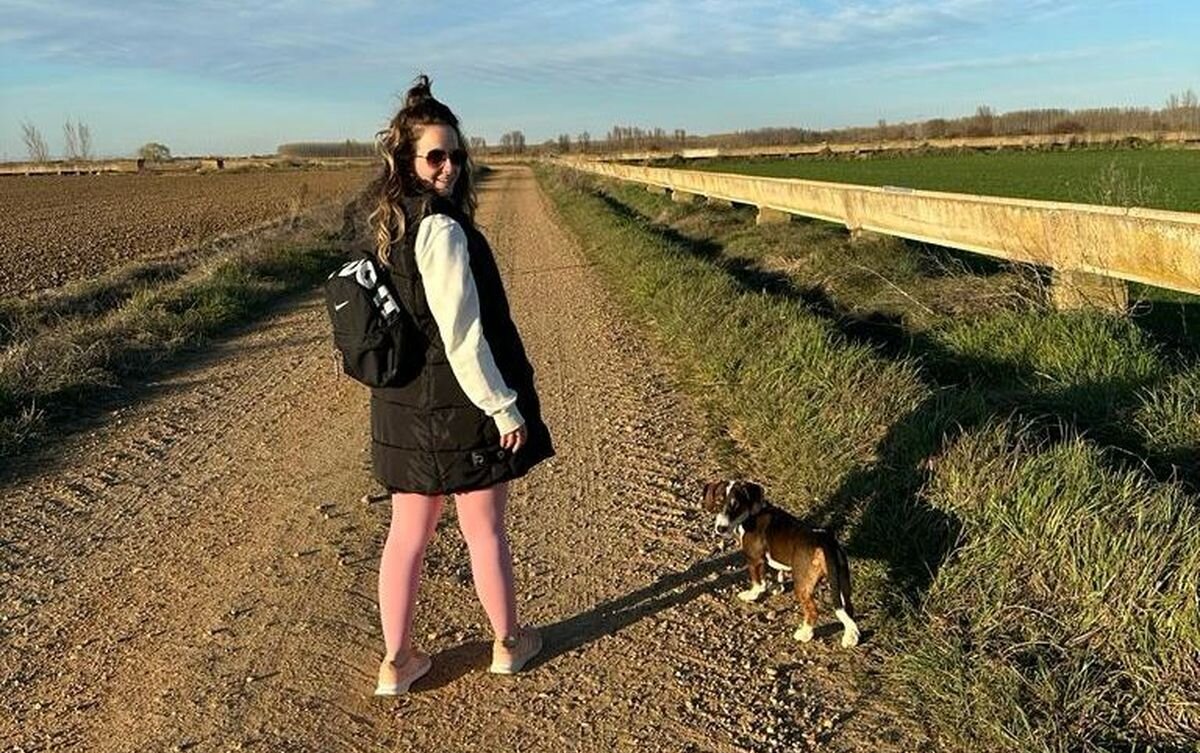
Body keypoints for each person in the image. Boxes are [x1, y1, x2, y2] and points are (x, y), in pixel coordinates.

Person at [365, 75, 554, 695]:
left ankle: (398, 663)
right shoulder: (441, 229)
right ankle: (507, 643)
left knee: (406, 537)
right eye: (434, 156)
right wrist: (504, 408)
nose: (448, 167)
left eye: (455, 154)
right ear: (407, 159)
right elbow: (462, 336)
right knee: (485, 530)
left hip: (401, 407)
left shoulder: (386, 223)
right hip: (460, 406)